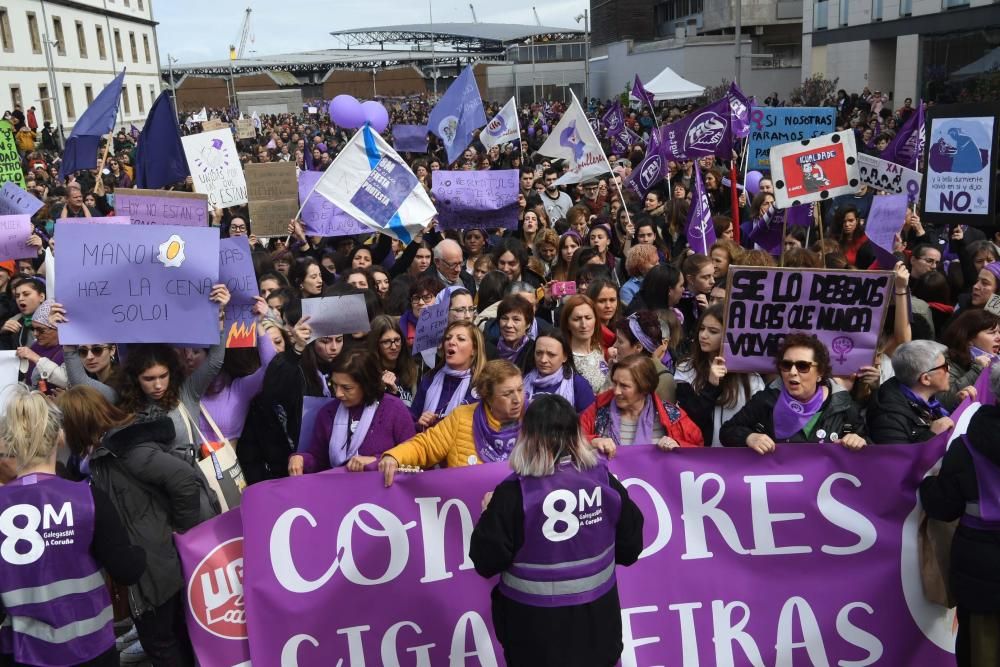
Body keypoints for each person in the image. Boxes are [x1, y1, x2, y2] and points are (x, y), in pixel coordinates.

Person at [469, 394, 644, 667]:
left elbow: (485, 561)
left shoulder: (513, 493)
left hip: (534, 641)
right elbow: (631, 547)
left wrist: (486, 514)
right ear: (577, 434)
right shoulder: (603, 480)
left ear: (527, 436)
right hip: (598, 634)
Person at [59, 386, 206, 666]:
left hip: (156, 562)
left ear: (77, 424)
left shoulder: (124, 451)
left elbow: (184, 479)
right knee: (173, 637)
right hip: (153, 558)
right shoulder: (100, 455)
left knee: (161, 643)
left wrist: (182, 531)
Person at [0, 385, 145, 667]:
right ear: (60, 437)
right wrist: (142, 551)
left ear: (11, 441)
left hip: (22, 652)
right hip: (91, 648)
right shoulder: (87, 499)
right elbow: (127, 569)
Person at [920, 362, 1000, 667]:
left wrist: (929, 484)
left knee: (982, 650)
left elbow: (944, 506)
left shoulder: (967, 445)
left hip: (980, 566)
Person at [379, 360, 524, 485]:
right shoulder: (462, 417)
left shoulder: (535, 419)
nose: (517, 399)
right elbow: (426, 446)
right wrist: (395, 457)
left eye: (520, 389)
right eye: (507, 394)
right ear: (488, 396)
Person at [719, 333, 868, 451]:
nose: (792, 372)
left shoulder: (843, 406)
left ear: (820, 372)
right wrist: (749, 437)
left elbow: (868, 445)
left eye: (802, 366)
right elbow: (727, 432)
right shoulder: (766, 400)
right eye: (786, 365)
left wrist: (858, 441)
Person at [291, 350, 415, 474]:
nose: (338, 394)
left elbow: (413, 459)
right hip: (338, 489)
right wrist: (301, 459)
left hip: (382, 490)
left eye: (347, 388)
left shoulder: (393, 409)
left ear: (367, 385)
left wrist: (376, 462)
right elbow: (319, 460)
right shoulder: (328, 413)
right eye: (334, 385)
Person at [674, 304, 765, 446]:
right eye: (702, 329)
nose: (703, 335)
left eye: (713, 331)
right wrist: (710, 387)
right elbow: (687, 420)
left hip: (737, 460)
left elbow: (758, 422)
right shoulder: (686, 368)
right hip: (699, 459)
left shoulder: (751, 377)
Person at [581, 354, 703, 451]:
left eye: (624, 386)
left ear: (644, 389)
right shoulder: (597, 410)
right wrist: (593, 442)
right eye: (615, 383)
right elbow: (572, 440)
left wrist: (678, 445)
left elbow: (699, 451)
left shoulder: (673, 416)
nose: (616, 391)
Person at [867, 340, 954, 444]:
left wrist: (958, 404)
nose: (949, 368)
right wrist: (931, 436)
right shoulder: (889, 419)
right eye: (944, 367)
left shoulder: (926, 395)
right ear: (926, 379)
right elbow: (897, 458)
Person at [410, 321, 486, 428]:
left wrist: (436, 422)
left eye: (461, 339)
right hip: (423, 442)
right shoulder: (430, 378)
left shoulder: (480, 386)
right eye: (448, 338)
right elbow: (411, 420)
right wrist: (419, 424)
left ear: (474, 350)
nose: (451, 342)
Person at [522, 331, 595, 412]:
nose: (543, 360)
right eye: (539, 353)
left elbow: (589, 421)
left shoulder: (579, 385)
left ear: (565, 357)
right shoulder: (522, 380)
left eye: (551, 354)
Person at [561, 295, 609, 394]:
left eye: (588, 318)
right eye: (577, 319)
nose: (583, 324)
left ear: (596, 321)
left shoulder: (598, 347)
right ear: (567, 324)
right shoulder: (564, 358)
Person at [368, 315, 418, 406]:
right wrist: (391, 393)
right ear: (375, 344)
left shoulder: (411, 369)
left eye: (397, 340)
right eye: (386, 342)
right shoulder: (368, 375)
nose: (394, 347)